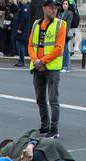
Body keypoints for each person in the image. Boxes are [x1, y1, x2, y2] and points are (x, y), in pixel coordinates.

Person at [29, 0, 66, 137]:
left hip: (52, 68)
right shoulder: (36, 24)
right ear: (44, 9)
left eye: (55, 8)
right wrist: (35, 60)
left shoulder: (61, 24)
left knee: (53, 99)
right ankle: (45, 125)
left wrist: (42, 61)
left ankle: (54, 129)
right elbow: (31, 45)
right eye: (51, 8)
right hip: (38, 66)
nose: (54, 10)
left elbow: (58, 48)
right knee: (40, 98)